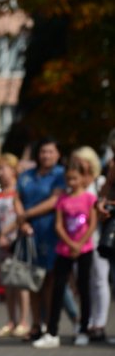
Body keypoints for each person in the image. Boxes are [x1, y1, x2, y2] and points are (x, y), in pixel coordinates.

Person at [33, 159, 96, 348]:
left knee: (84, 289)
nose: (72, 182)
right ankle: (52, 332)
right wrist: (70, 243)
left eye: (75, 179)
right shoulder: (62, 199)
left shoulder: (89, 198)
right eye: (69, 179)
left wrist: (80, 243)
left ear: (83, 179)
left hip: (84, 249)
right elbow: (59, 224)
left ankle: (84, 329)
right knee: (58, 289)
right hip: (65, 249)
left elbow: (92, 223)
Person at [16, 137, 65, 341]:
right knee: (32, 280)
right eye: (43, 151)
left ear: (58, 154)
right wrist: (22, 222)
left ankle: (49, 324)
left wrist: (26, 215)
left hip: (50, 231)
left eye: (50, 151)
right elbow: (17, 198)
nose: (46, 155)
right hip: (28, 233)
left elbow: (55, 200)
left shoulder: (60, 175)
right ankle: (35, 324)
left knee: (49, 280)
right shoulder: (27, 175)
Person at [71, 146, 110, 342]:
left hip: (97, 238)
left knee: (100, 280)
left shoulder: (100, 182)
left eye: (83, 161)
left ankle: (99, 323)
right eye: (76, 162)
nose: (80, 165)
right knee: (82, 282)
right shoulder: (72, 184)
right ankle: (87, 320)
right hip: (77, 241)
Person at [0, 153, 30, 338]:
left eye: (3, 168)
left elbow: (20, 215)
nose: (0, 172)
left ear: (13, 169)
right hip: (2, 242)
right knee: (8, 283)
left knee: (21, 281)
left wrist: (5, 234)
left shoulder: (20, 189)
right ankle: (11, 320)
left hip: (17, 239)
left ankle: (23, 321)